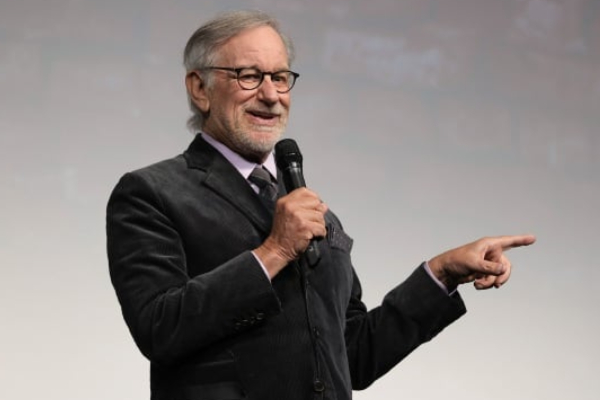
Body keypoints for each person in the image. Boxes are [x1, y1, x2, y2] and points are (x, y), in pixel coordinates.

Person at [106, 10, 535, 400]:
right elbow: (160, 328)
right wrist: (273, 252)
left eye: (280, 77)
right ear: (200, 88)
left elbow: (353, 355)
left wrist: (440, 274)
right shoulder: (152, 194)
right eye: (249, 76)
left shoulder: (313, 212)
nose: (271, 94)